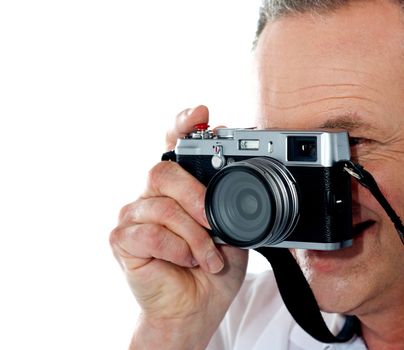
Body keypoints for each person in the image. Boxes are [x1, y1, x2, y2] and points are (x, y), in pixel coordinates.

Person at [109, 0, 404, 349]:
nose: (295, 191)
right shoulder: (236, 319)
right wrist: (174, 330)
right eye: (277, 148)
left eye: (348, 144)